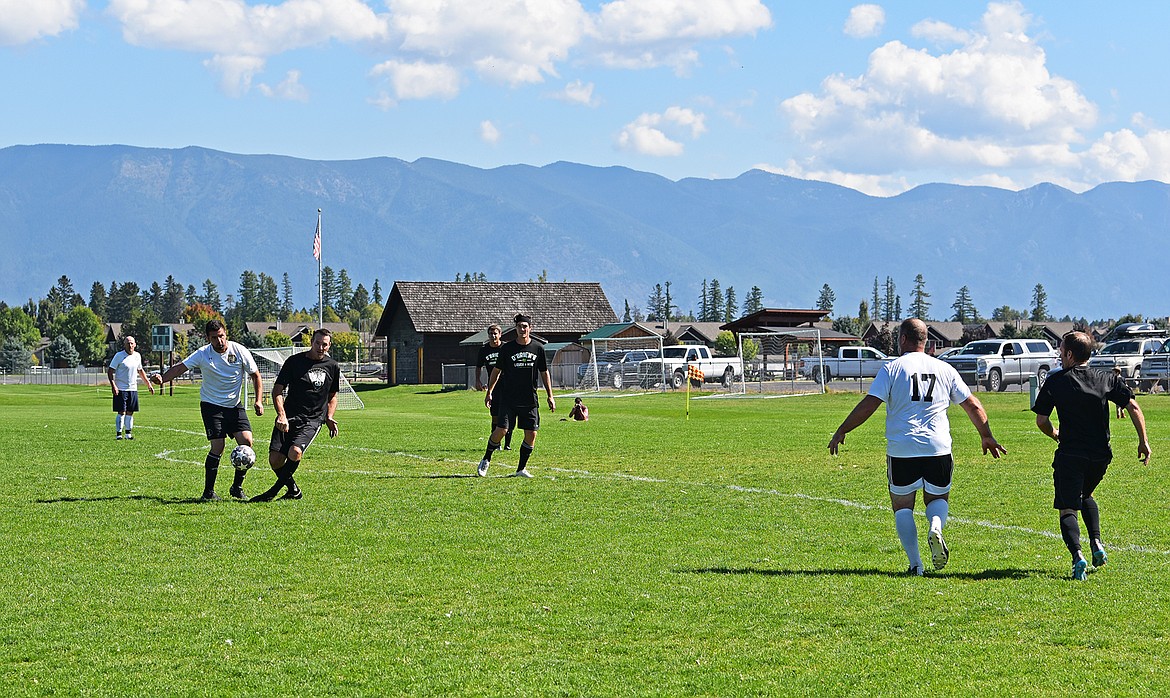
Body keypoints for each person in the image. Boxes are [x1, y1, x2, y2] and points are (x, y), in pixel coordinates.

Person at [828, 318, 1007, 575]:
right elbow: (972, 404)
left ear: (902, 339)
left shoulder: (892, 368)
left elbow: (870, 403)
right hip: (938, 448)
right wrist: (986, 435)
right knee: (937, 498)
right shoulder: (944, 368)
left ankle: (915, 564)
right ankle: (936, 526)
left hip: (902, 449)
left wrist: (843, 429)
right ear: (926, 340)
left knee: (902, 506)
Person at [1032, 331, 1150, 581]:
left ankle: (1078, 556)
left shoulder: (1055, 381)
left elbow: (1042, 420)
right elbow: (1133, 405)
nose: (1059, 355)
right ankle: (1096, 544)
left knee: (1067, 508)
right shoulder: (1106, 378)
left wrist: (1055, 433)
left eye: (1061, 351)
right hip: (1100, 456)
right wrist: (1143, 441)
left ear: (1070, 354)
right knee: (1086, 494)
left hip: (1071, 453)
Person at [152, 320, 263, 501]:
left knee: (247, 443)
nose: (219, 341)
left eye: (221, 336)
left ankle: (237, 487)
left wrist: (258, 401)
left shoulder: (240, 351)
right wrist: (162, 379)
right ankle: (208, 492)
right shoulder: (203, 354)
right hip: (212, 406)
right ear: (208, 338)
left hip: (234, 406)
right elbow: (180, 368)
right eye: (214, 338)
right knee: (218, 446)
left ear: (226, 333)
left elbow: (255, 376)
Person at [251, 328, 340, 502]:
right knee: (275, 460)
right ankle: (293, 490)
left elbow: (333, 396)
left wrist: (329, 416)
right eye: (318, 343)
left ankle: (271, 492)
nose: (321, 347)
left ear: (329, 346)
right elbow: (277, 390)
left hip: (312, 420)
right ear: (311, 342)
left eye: (325, 345)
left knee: (295, 452)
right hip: (289, 416)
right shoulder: (294, 362)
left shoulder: (332, 366)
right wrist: (281, 415)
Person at [479, 314, 556, 478]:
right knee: (502, 430)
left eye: (525, 326)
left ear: (530, 328)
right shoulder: (507, 349)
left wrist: (550, 396)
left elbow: (544, 372)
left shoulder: (538, 348)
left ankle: (521, 469)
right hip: (509, 398)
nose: (522, 329)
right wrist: (489, 392)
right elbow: (496, 371)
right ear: (516, 328)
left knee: (531, 434)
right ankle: (487, 458)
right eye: (519, 326)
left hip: (529, 399)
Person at [475, 324, 515, 450]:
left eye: (495, 333)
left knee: (509, 415)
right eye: (491, 334)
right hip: (494, 387)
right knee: (495, 416)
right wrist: (478, 380)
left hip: (508, 385)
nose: (493, 336)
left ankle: (507, 444)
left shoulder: (506, 347)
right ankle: (496, 443)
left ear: (500, 334)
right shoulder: (484, 350)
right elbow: (478, 366)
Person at [107, 335, 154, 440]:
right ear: (124, 345)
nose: (130, 345)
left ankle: (128, 434)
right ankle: (119, 434)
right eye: (128, 343)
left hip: (133, 388)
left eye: (132, 343)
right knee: (121, 411)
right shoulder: (119, 356)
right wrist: (113, 385)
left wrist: (148, 384)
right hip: (121, 388)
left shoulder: (137, 356)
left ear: (135, 345)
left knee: (130, 411)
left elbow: (140, 371)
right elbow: (110, 371)